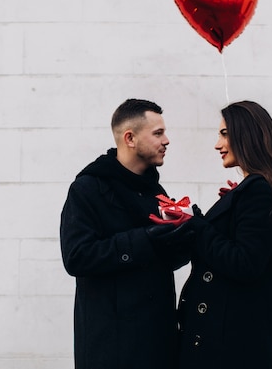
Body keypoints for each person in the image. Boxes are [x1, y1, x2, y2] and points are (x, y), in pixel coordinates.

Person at [60, 98, 194, 369]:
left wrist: (187, 236)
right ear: (130, 138)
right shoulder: (88, 189)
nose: (167, 140)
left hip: (159, 344)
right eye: (158, 133)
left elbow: (162, 260)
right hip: (112, 348)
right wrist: (145, 238)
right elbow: (77, 257)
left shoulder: (155, 192)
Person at [177, 100, 272, 369]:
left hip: (235, 351)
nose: (217, 144)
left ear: (245, 135)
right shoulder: (258, 189)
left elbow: (245, 263)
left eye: (224, 134)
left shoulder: (258, 191)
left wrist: (197, 224)